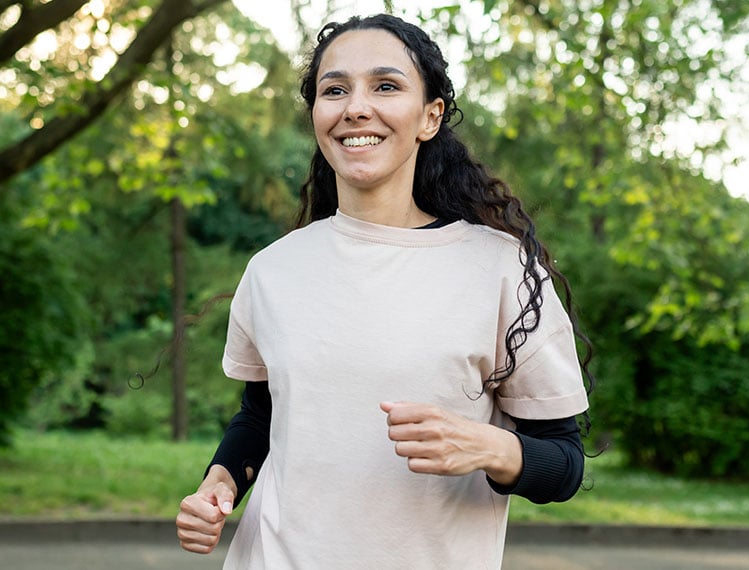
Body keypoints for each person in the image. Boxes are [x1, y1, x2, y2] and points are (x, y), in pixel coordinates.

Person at [175, 13, 593, 569]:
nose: (355, 107)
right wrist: (219, 483)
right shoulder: (273, 269)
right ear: (318, 117)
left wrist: (489, 446)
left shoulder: (501, 269)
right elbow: (262, 416)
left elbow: (565, 465)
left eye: (386, 86)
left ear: (430, 116)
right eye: (335, 90)